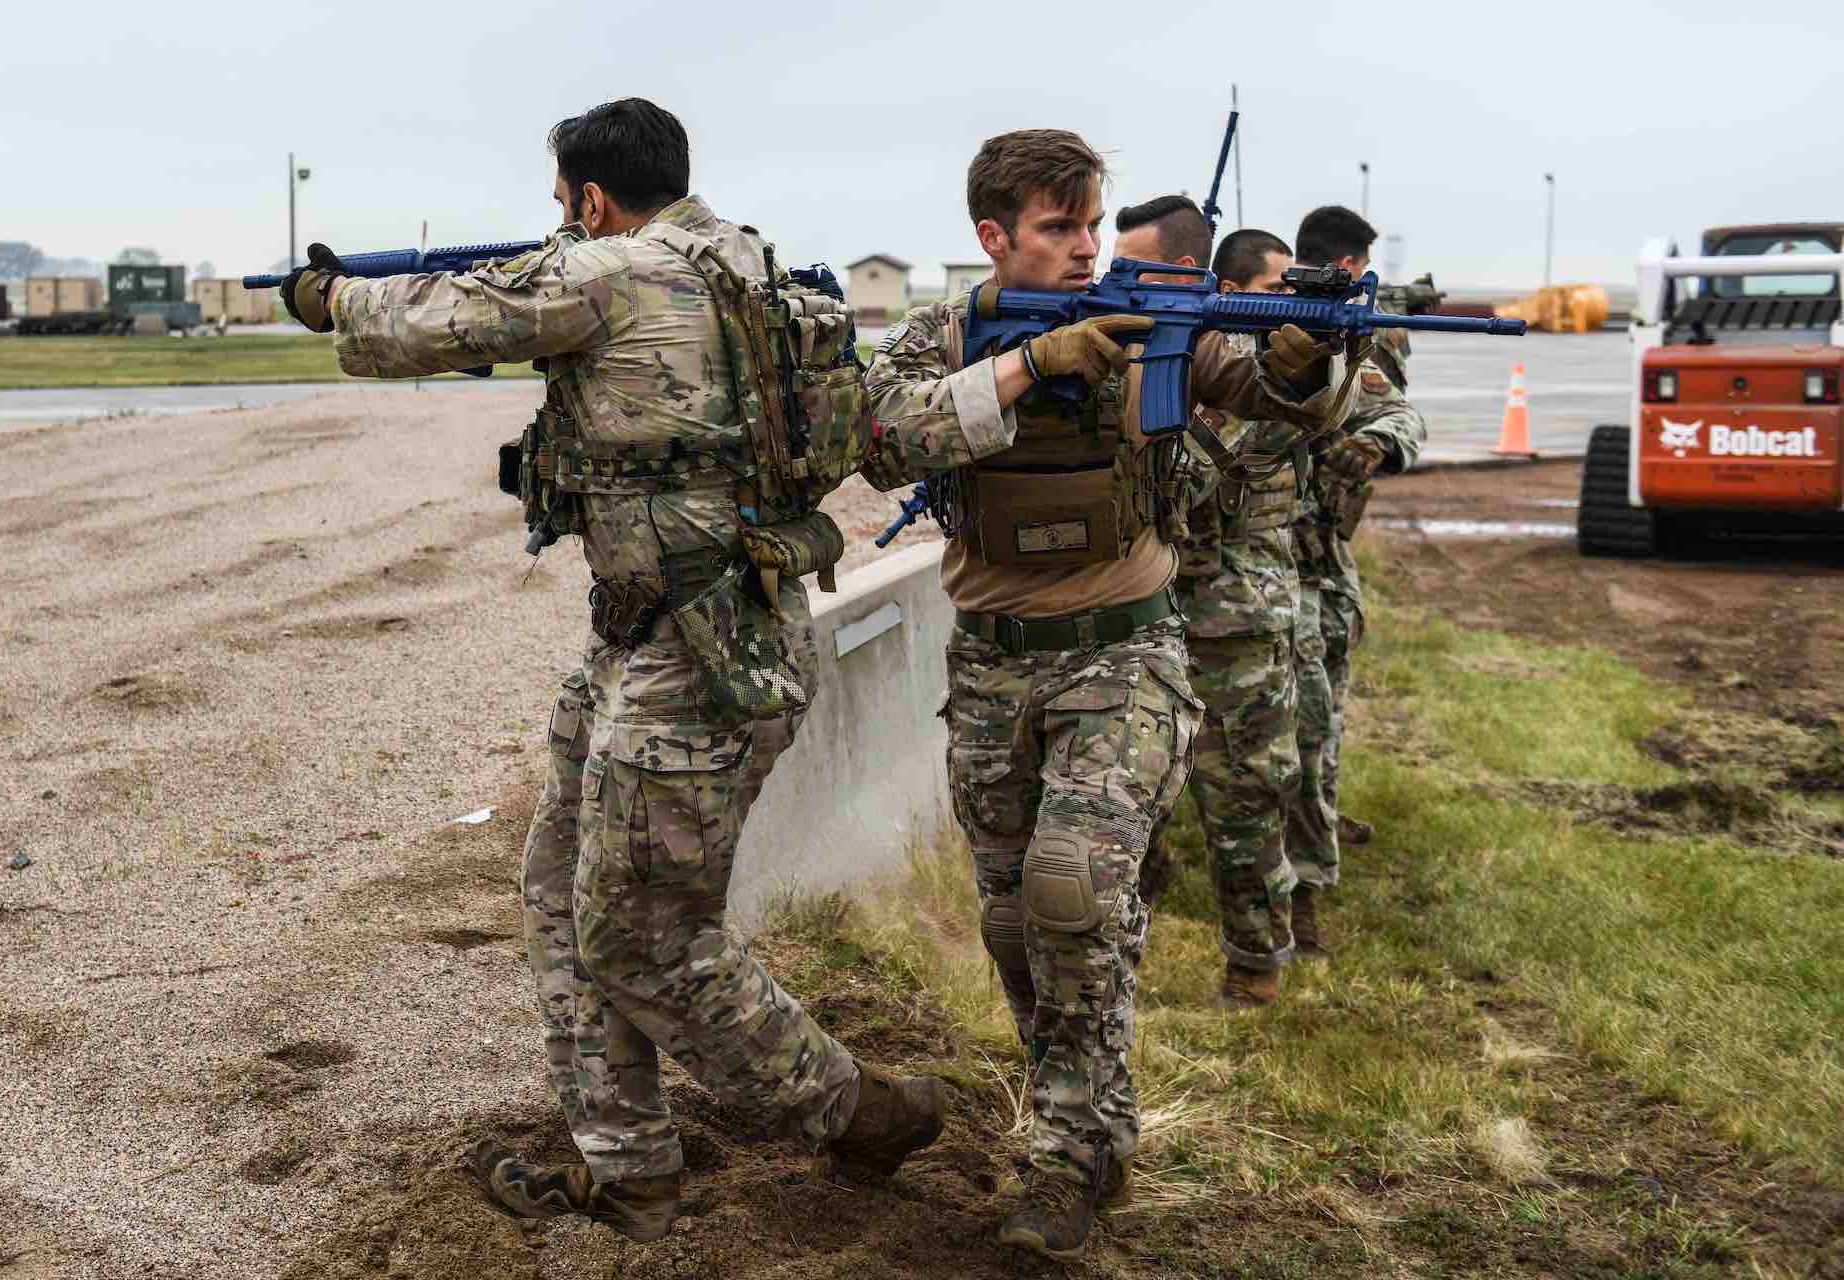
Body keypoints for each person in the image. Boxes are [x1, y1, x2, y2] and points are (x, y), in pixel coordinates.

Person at [278, 97, 945, 1244]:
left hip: (699, 652)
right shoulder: (738, 259)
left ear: (590, 198)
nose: (563, 224)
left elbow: (436, 322)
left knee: (639, 933)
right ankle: (628, 1161)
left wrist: (325, 296)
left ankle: (849, 1107)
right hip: (650, 636)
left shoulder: (619, 271)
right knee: (559, 883)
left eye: (564, 206)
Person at [860, 130, 1351, 1261]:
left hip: (1125, 653)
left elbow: (1284, 398)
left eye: (1092, 223)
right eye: (1057, 228)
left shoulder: (1151, 318)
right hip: (989, 663)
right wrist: (1036, 364)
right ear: (994, 237)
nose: (1086, 248)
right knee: (1009, 916)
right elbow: (879, 440)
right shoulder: (945, 333)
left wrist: (1292, 354)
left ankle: (1079, 1153)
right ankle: (1066, 1089)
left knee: (1073, 886)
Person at [1117, 210, 1306, 1008]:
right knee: (1125, 793)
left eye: (1132, 267)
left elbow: (1202, 473)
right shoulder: (1137, 348)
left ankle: (1256, 958)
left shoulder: (1263, 372)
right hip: (1142, 609)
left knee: (1244, 795)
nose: (1112, 282)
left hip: (1237, 617)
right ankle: (1123, 938)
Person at [1281, 206, 1427, 950]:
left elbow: (1399, 418)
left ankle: (1309, 862)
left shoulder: (1347, 347)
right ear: (1347, 268)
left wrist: (1371, 450)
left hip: (1316, 570)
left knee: (1317, 727)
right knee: (1278, 738)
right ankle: (1284, 880)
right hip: (1257, 574)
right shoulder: (1269, 339)